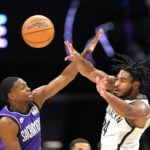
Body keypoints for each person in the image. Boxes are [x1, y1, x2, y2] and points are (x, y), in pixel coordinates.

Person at [0, 29, 103, 150]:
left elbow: (65, 77)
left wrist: (85, 54)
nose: (28, 89)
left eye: (27, 85)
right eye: (23, 88)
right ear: (11, 96)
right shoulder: (7, 122)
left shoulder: (36, 98)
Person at [65, 44, 150, 150]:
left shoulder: (143, 107)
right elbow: (91, 71)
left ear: (135, 85)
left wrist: (105, 94)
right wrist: (79, 59)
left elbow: (127, 111)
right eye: (117, 78)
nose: (117, 83)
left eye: (122, 80)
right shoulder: (117, 88)